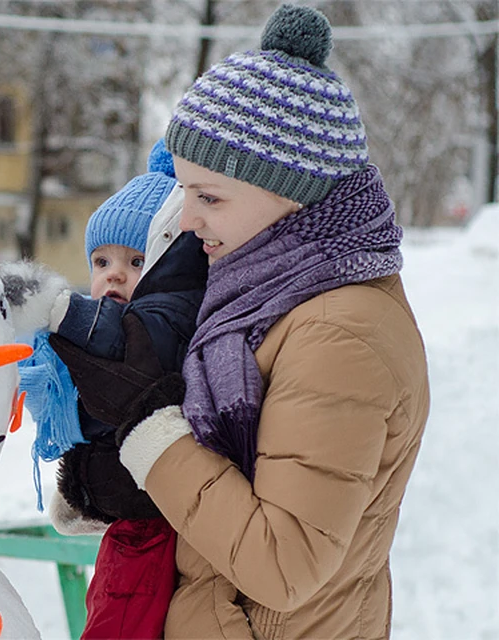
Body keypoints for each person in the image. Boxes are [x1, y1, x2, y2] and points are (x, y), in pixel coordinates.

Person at [48, 4, 431, 638]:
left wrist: (149, 427)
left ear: (291, 193)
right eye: (185, 196)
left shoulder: (340, 332)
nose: (189, 221)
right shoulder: (265, 293)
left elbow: (284, 562)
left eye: (209, 197)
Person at [1, 142, 210, 639]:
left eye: (135, 261)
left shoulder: (157, 325)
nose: (113, 273)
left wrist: (56, 312)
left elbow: (117, 347)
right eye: (101, 260)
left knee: (120, 613)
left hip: (151, 522)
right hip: (129, 517)